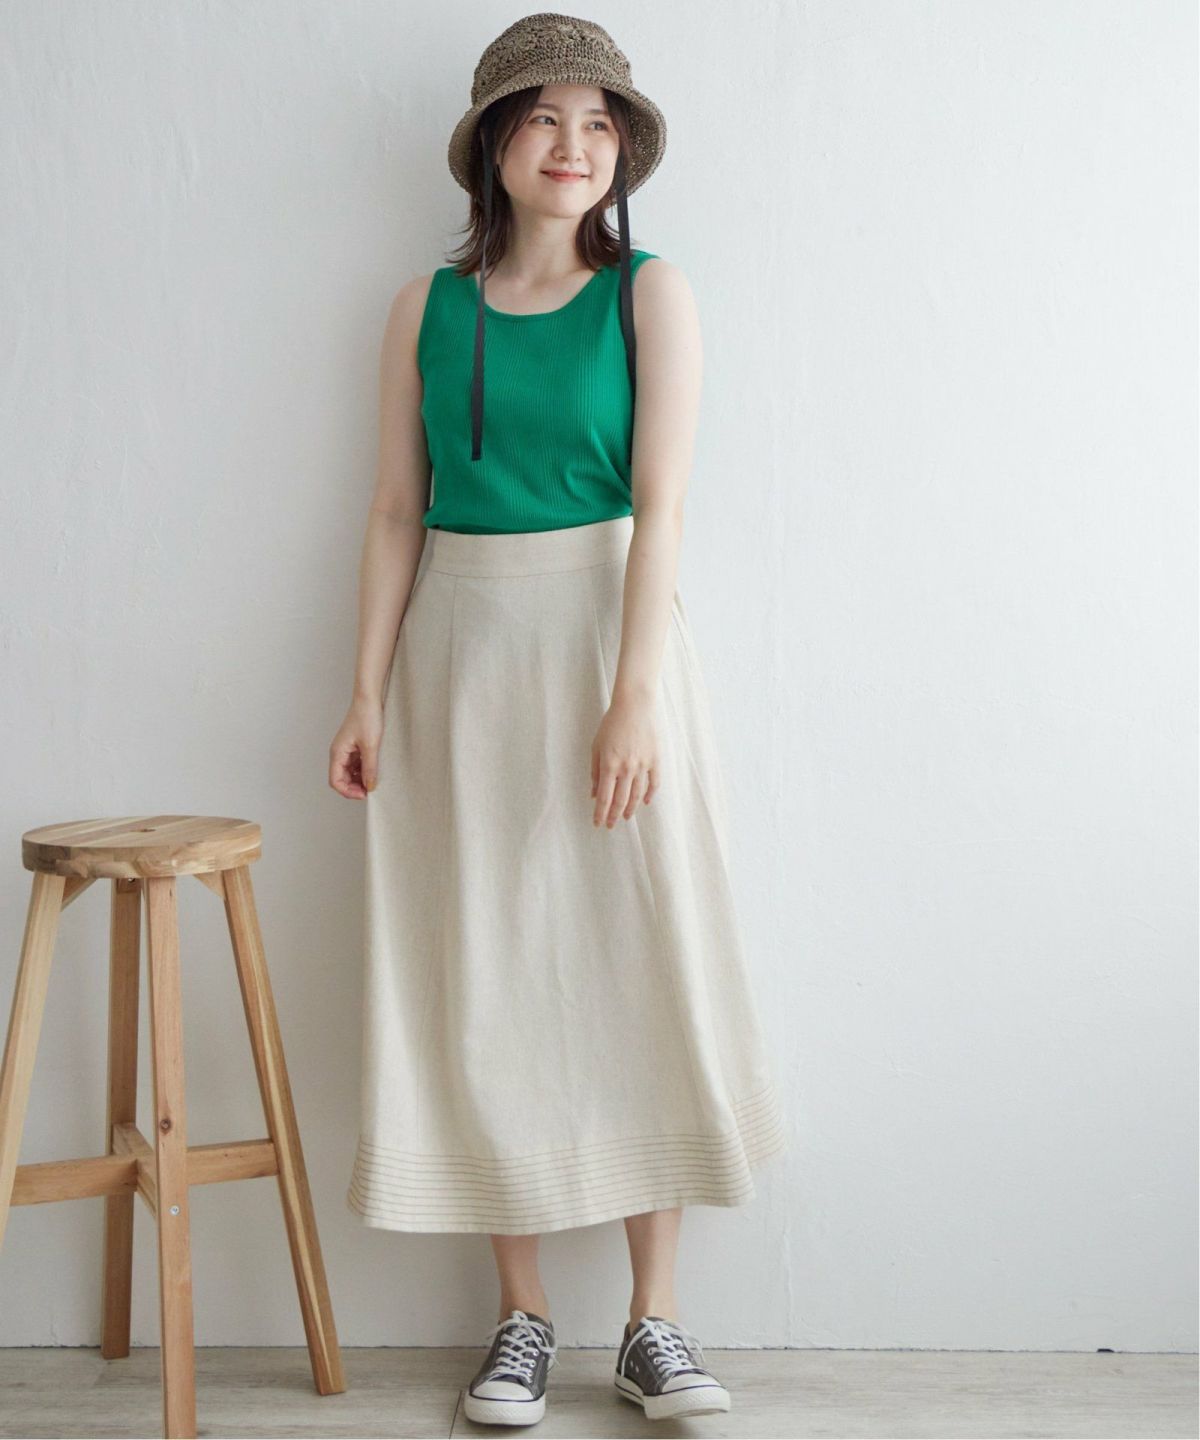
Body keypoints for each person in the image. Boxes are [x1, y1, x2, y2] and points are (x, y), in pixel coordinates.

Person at [329, 12, 786, 1428]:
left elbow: (663, 507)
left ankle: (655, 1321)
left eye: (597, 124)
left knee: (640, 953)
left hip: (608, 635)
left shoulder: (651, 294)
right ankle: (520, 1316)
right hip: (459, 655)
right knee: (486, 967)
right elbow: (395, 511)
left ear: (622, 152)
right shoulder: (426, 309)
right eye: (543, 119)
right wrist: (364, 690)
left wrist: (633, 694)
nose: (573, 146)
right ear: (493, 145)